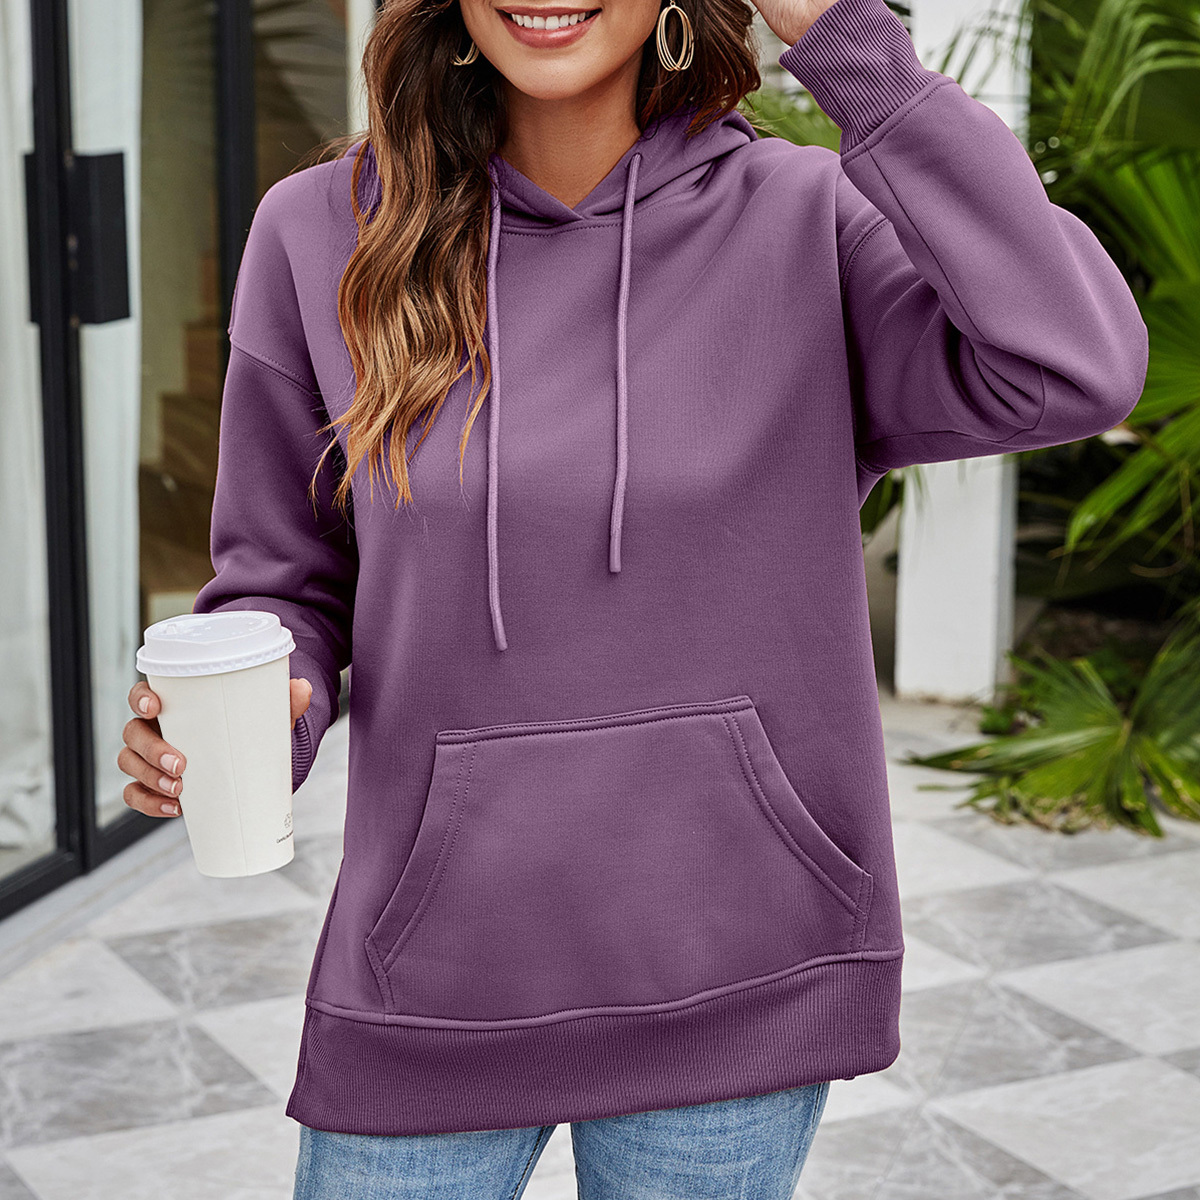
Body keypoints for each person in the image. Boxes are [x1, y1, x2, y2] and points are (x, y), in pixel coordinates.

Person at [118, 0, 1149, 1191]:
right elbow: (281, 580)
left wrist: (848, 43)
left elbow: (1073, 365)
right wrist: (259, 714)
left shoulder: (808, 220)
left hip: (736, 970)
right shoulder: (321, 231)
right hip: (434, 973)